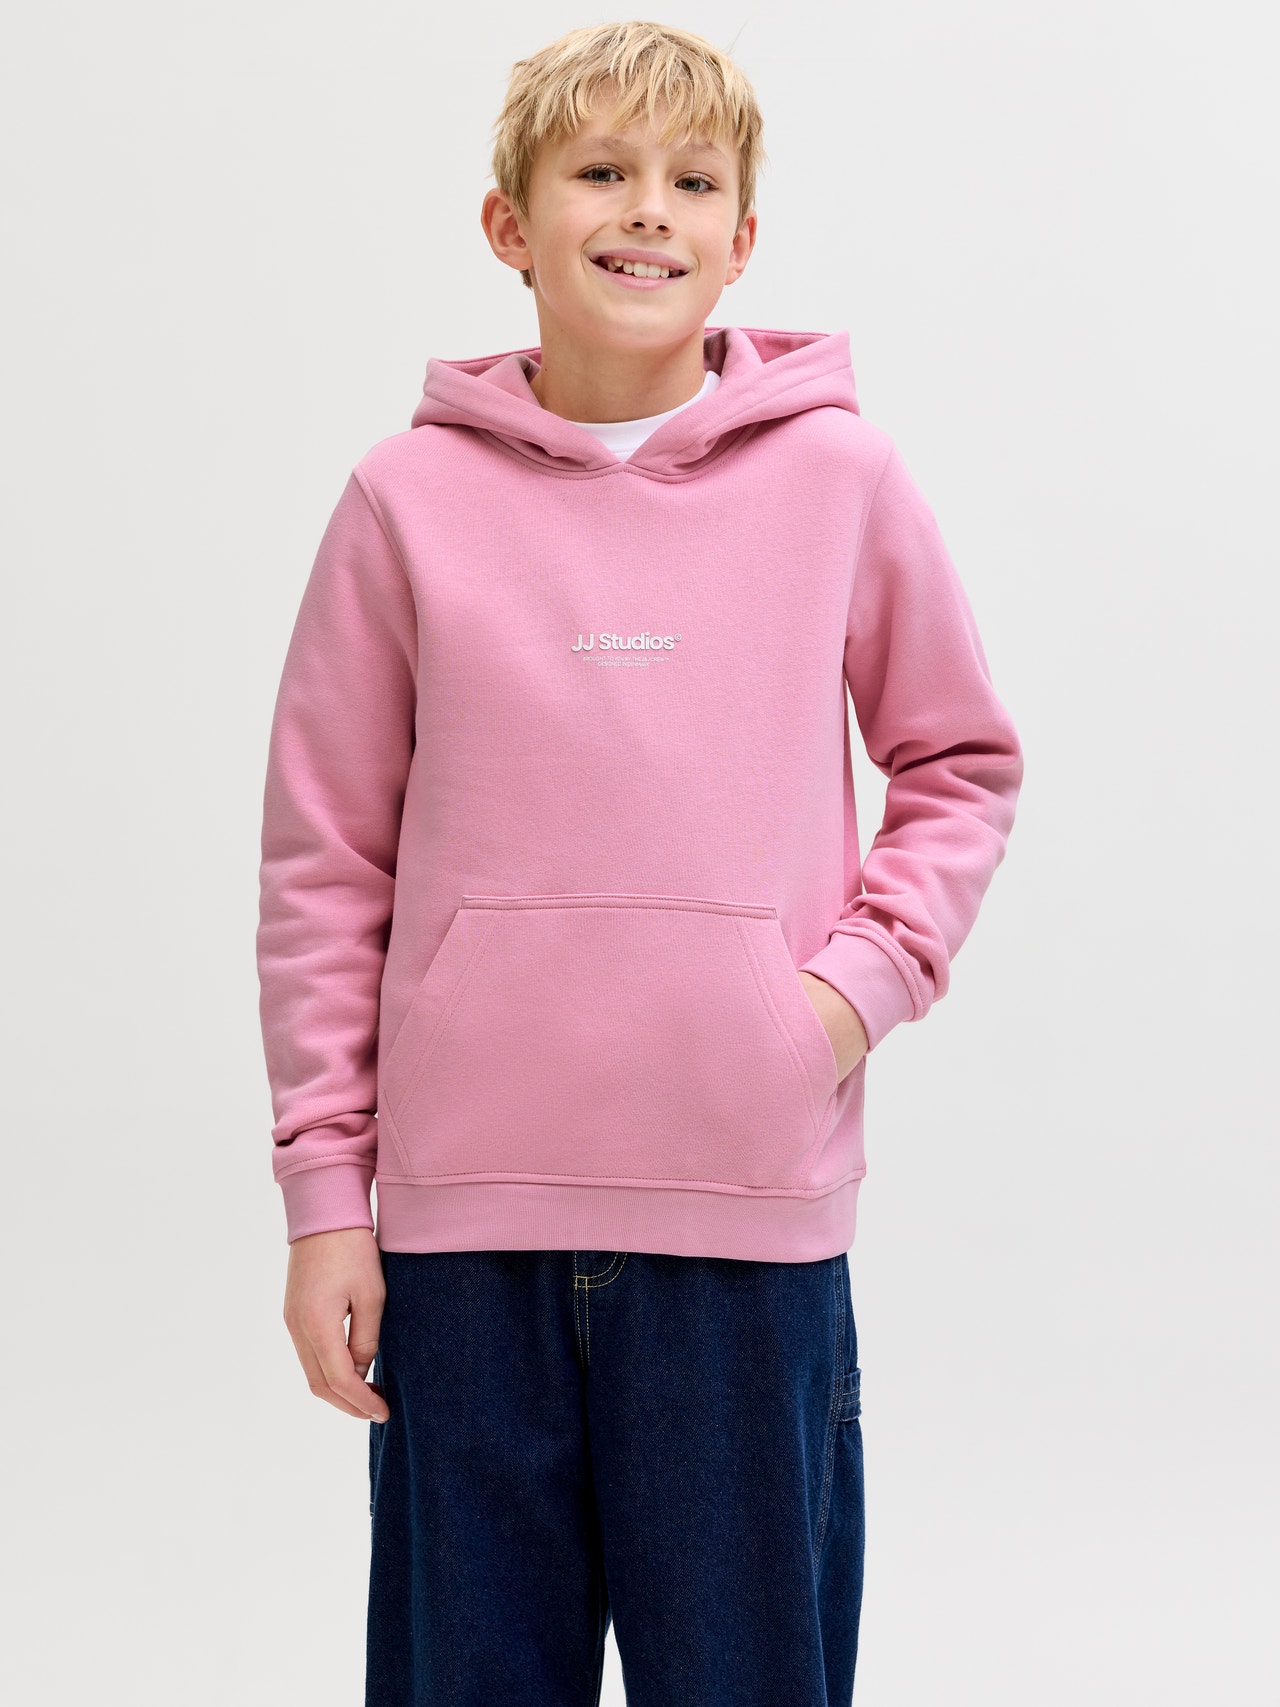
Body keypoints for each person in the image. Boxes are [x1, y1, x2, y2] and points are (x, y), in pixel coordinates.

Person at [255, 20, 1023, 1705]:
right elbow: (325, 862)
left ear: (743, 238)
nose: (647, 210)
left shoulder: (840, 478)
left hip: (745, 1231)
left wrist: (840, 1001)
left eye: (692, 180)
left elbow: (959, 763)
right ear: (508, 223)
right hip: (464, 1241)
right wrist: (326, 1204)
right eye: (599, 171)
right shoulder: (401, 501)